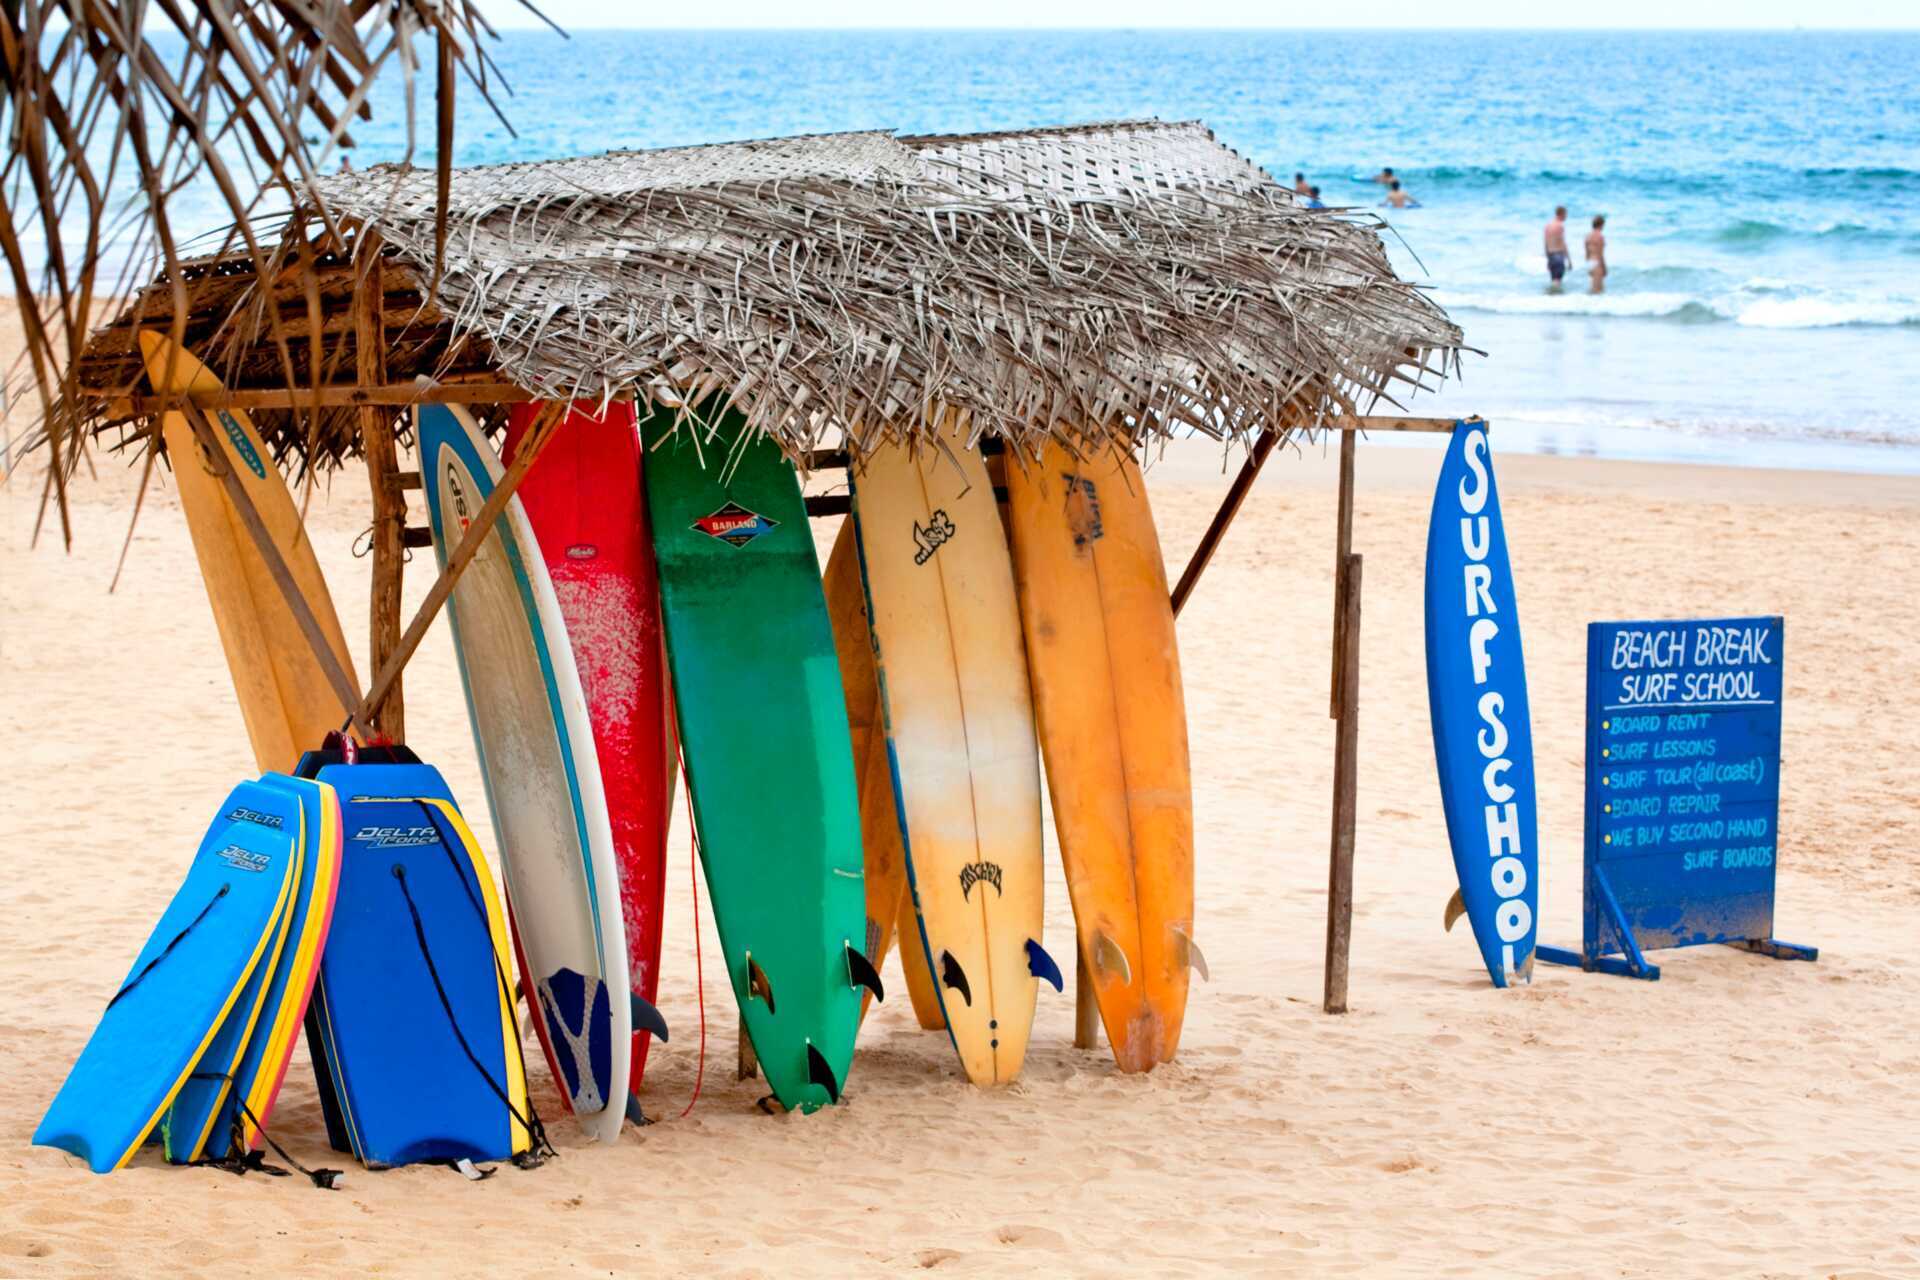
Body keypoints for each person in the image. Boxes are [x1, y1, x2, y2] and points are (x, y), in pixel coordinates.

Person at [1544, 206, 1570, 292]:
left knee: (1554, 280)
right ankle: (1555, 297)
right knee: (1557, 281)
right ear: (1561, 214)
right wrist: (1569, 259)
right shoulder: (1559, 226)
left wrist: (1548, 259)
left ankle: (1551, 297)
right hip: (1558, 255)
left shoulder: (1548, 226)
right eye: (1565, 214)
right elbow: (1563, 243)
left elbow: (1546, 243)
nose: (1566, 216)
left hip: (1551, 255)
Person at [1585, 215, 1608, 294]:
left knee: (1593, 287)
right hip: (1597, 262)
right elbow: (1600, 254)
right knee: (1599, 289)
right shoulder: (1600, 236)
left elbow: (1587, 253)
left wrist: (1588, 265)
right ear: (1601, 224)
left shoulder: (1587, 236)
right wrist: (1604, 267)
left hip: (1590, 262)